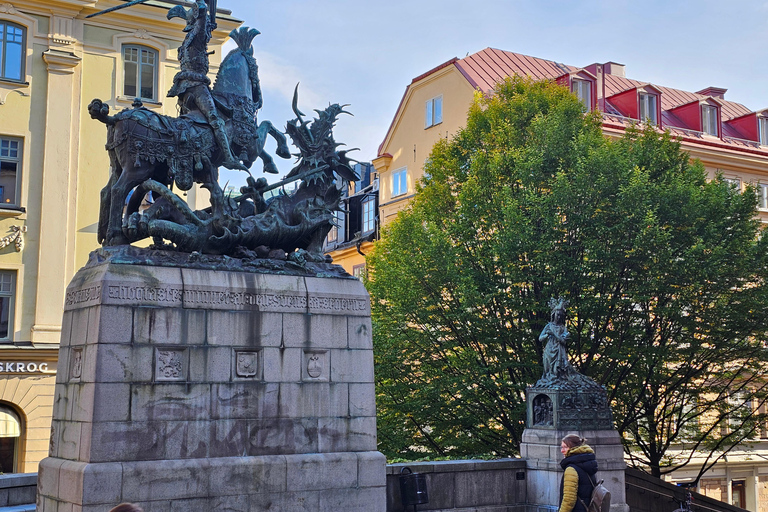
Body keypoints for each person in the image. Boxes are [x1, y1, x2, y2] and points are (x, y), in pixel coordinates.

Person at [558, 434, 598, 512]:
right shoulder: (588, 464)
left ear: (573, 448)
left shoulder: (571, 469)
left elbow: (569, 499)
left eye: (565, 447)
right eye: (561, 447)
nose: (562, 451)